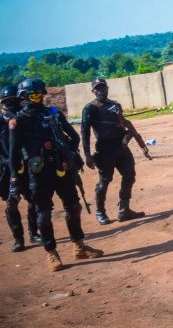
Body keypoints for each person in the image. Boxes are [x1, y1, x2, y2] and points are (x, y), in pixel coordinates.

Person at [8, 78, 103, 271]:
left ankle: (79, 246)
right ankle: (51, 253)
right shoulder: (19, 120)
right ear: (24, 97)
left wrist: (67, 152)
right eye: (32, 94)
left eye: (39, 93)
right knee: (43, 214)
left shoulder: (53, 114)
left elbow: (74, 136)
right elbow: (13, 152)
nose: (37, 97)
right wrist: (14, 179)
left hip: (62, 168)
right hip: (39, 173)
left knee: (74, 207)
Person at [81, 78, 148, 224]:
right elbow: (84, 132)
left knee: (130, 175)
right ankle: (100, 212)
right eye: (97, 88)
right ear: (93, 91)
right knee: (104, 180)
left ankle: (124, 210)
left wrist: (127, 138)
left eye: (103, 87)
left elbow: (123, 123)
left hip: (121, 147)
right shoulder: (90, 108)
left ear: (107, 88)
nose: (101, 90)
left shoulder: (115, 105)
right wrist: (87, 154)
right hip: (105, 149)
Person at [2, 85, 40, 252]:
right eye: (7, 101)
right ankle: (18, 238)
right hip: (6, 168)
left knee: (34, 199)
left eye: (15, 100)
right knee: (11, 203)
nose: (12, 103)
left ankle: (33, 232)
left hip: (28, 163)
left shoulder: (24, 117)